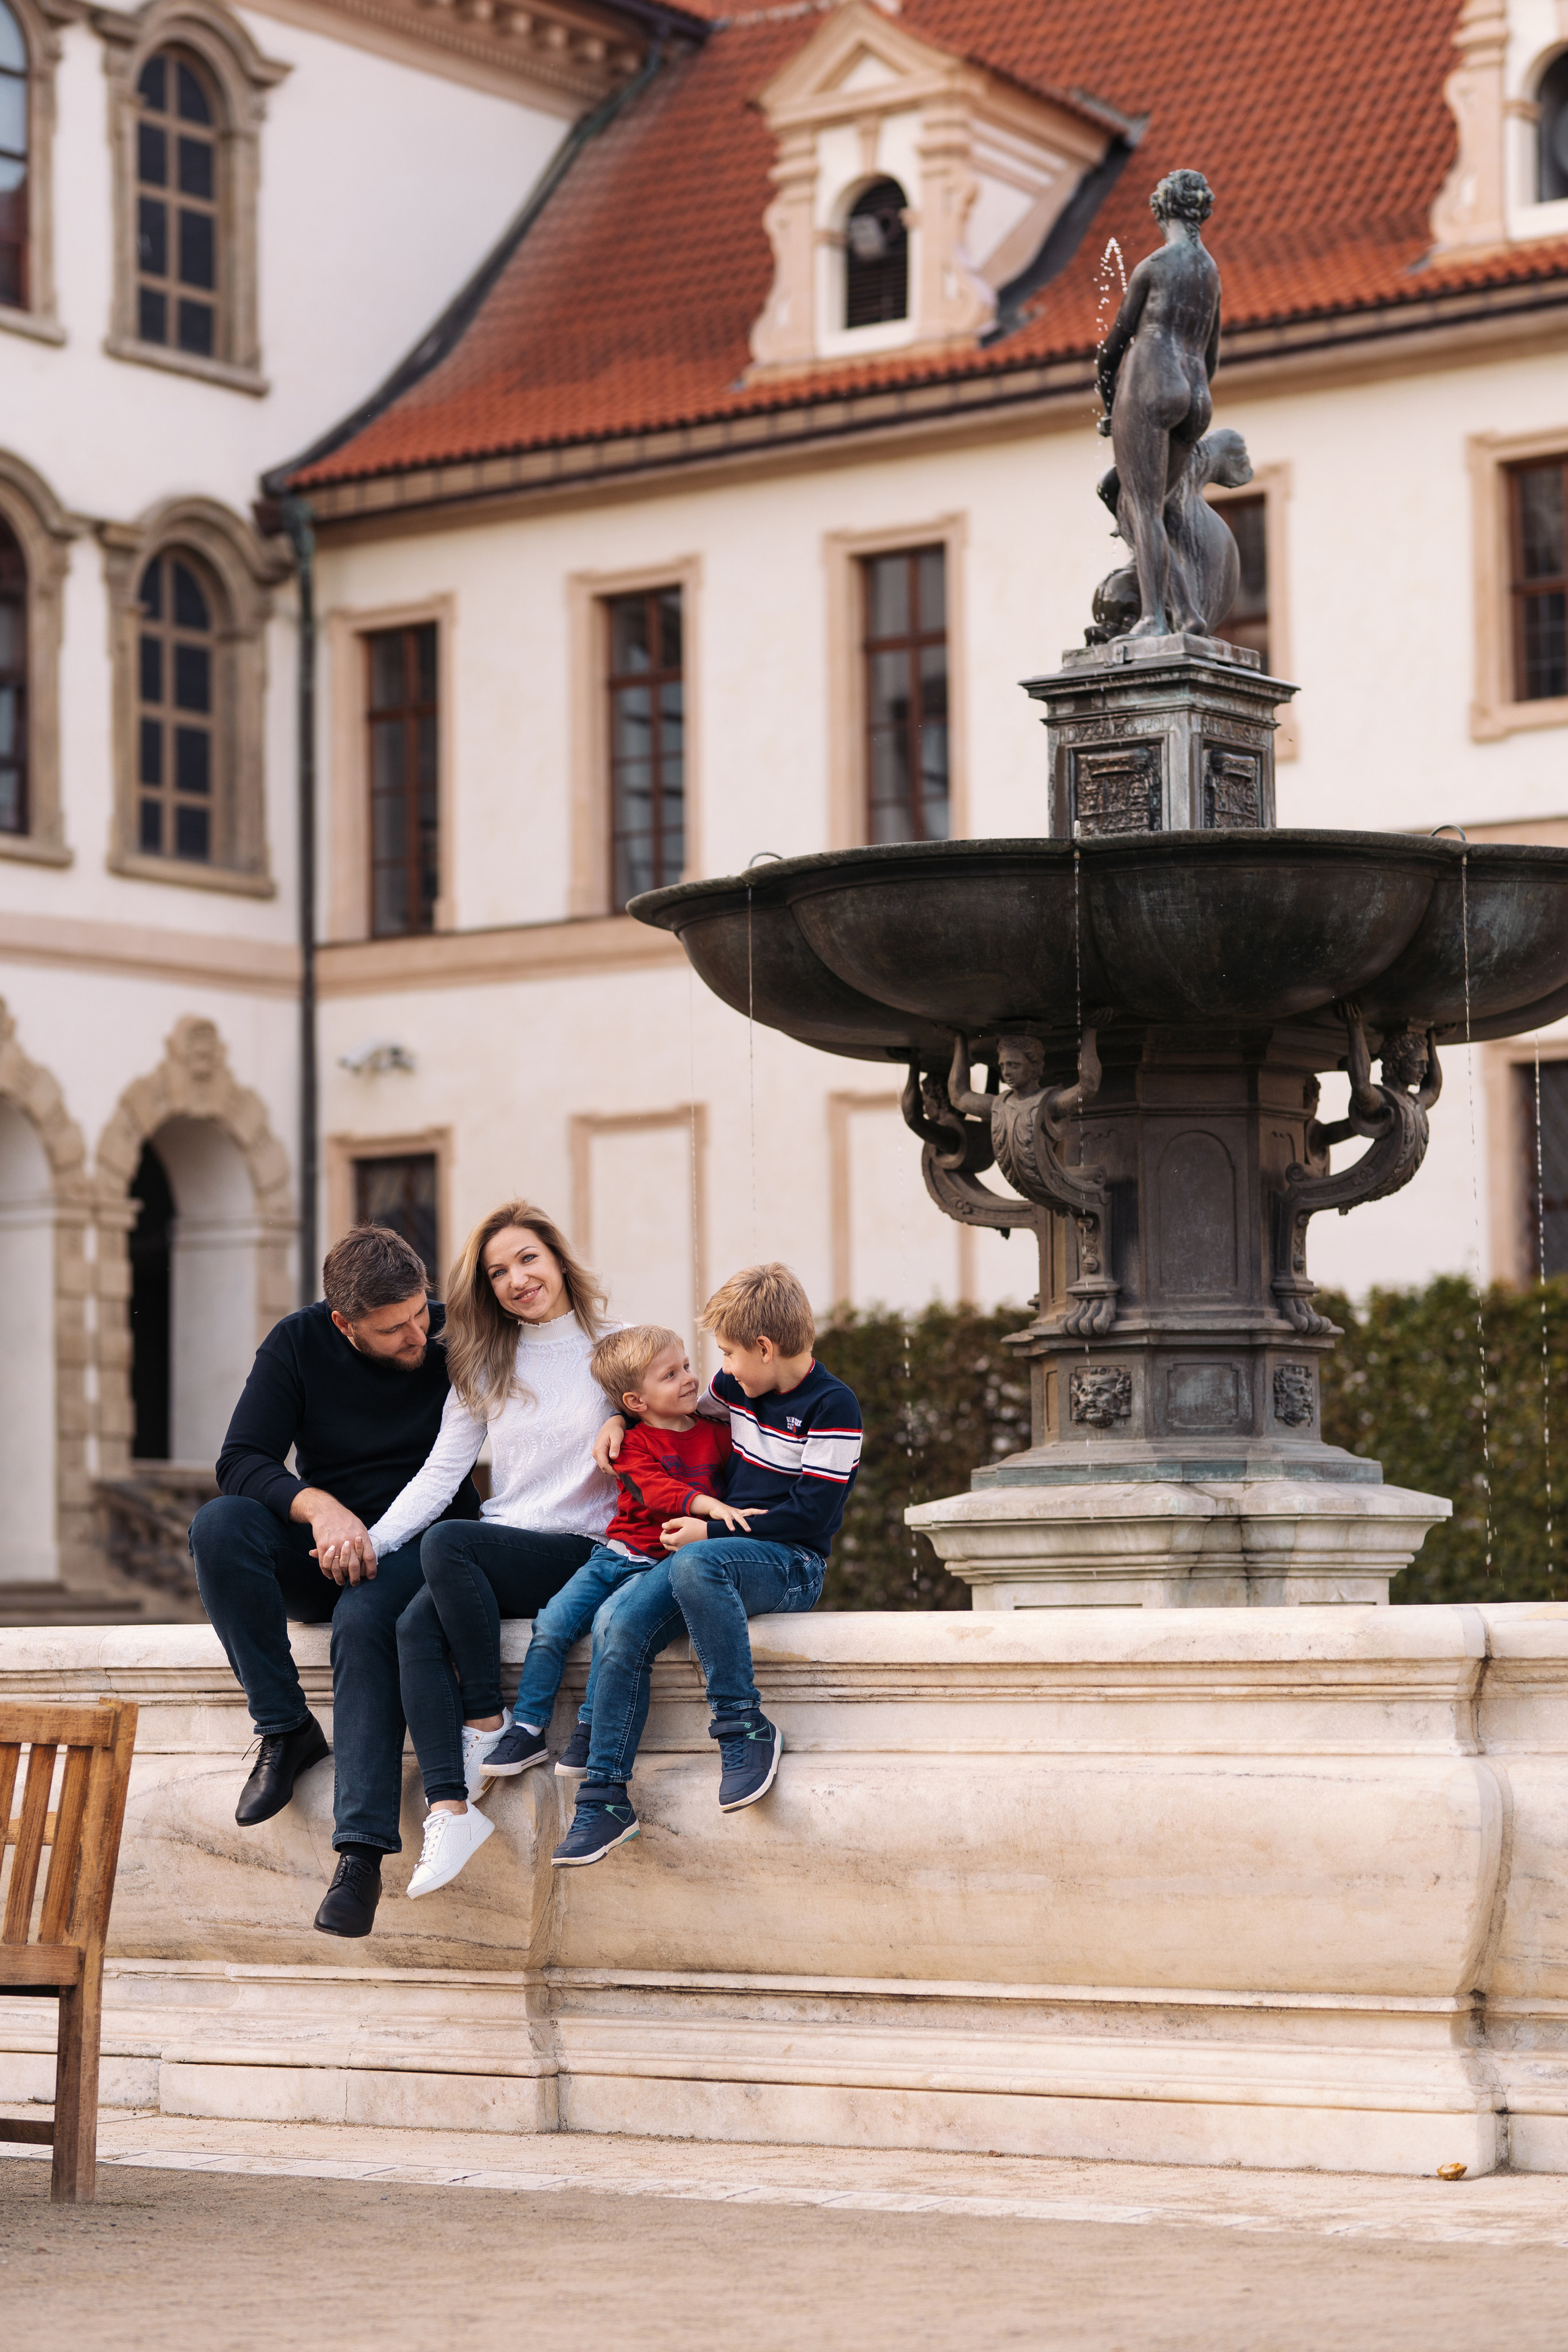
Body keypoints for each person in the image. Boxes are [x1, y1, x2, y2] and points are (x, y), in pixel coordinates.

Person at [189, 1225, 482, 1940]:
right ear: (344, 1324)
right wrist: (318, 1508)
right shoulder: (298, 1342)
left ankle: (360, 1857)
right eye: (395, 1329)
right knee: (220, 1525)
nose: (419, 1335)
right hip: (331, 1549)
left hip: (430, 1542)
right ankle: (286, 1728)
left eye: (422, 1311)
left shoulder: (459, 1335)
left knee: (365, 1619)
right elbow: (241, 1460)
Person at [325, 1203, 624, 1901]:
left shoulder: (617, 1345)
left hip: (583, 1549)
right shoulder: (484, 1361)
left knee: (451, 1542)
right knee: (410, 1625)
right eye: (497, 1272)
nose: (517, 1279)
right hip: (505, 1546)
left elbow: (686, 1410)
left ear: (555, 1258)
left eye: (527, 1259)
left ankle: (486, 1721)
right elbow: (440, 1473)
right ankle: (450, 1811)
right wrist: (373, 1541)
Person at [420, 1324, 757, 1888]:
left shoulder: (714, 1434)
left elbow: (747, 1445)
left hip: (660, 1566)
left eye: (685, 1366)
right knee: (552, 1623)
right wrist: (707, 1505)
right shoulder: (632, 1443)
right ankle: (526, 1727)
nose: (689, 1377)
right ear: (633, 1401)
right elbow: (658, 1492)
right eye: (671, 1374)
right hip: (614, 1554)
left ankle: (585, 1733)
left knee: (611, 1631)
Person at [555, 1262, 862, 1868]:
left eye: (727, 1352)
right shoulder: (736, 1387)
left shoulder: (832, 1406)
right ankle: (604, 1797)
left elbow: (810, 1516)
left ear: (765, 1347)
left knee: (697, 1564)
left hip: (791, 1563)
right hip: (715, 1552)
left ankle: (744, 1729)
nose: (718, 1367)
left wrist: (710, 1528)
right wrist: (619, 1418)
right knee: (618, 1616)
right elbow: (674, 1413)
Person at [1094, 168, 1221, 639]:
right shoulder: (1210, 272)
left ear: (1161, 210)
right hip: (1196, 392)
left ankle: (1152, 618)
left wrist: (1109, 404)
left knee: (1142, 506)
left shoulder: (1154, 266)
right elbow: (1213, 353)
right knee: (1154, 505)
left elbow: (1113, 346)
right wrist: (1197, 398)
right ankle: (1188, 611)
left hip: (1150, 383)